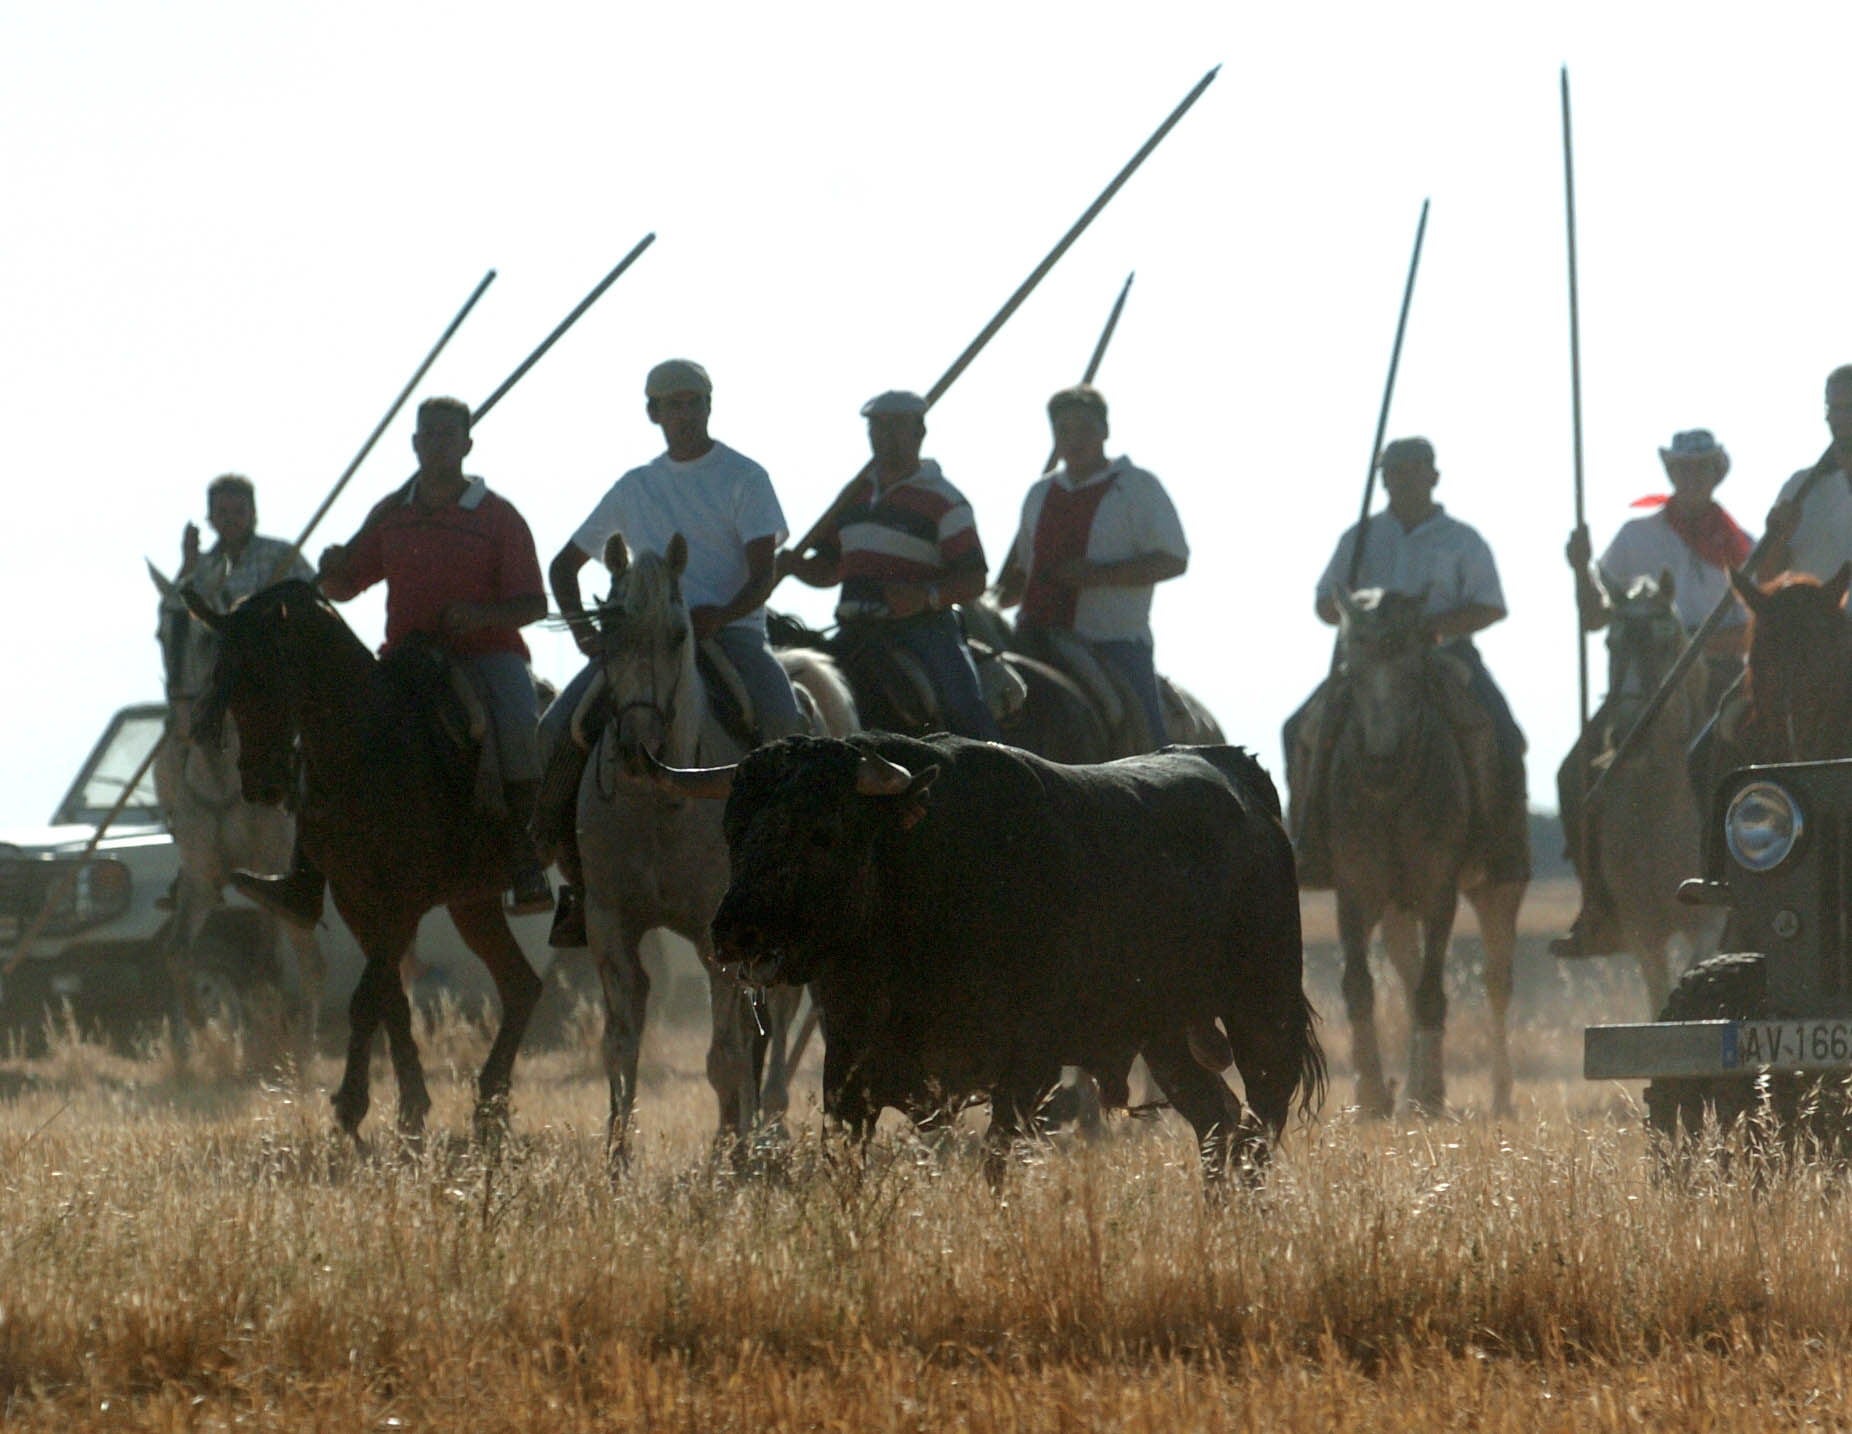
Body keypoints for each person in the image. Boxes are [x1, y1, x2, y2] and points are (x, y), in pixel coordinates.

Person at [233, 396, 553, 922]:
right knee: (329, 731)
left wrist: (479, 615)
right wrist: (336, 567)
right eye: (428, 434)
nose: (436, 443)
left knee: (519, 723)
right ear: (414, 443)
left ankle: (524, 857)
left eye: (448, 434)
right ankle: (304, 879)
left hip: (485, 656)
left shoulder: (498, 517)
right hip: (406, 659)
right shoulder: (393, 513)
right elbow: (344, 584)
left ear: (467, 444)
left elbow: (534, 604)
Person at [539, 358, 803, 946]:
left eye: (693, 402)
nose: (683, 414)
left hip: (729, 635)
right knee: (555, 729)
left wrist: (723, 614)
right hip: (643, 642)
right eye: (671, 404)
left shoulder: (744, 476)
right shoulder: (635, 486)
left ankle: (790, 879)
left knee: (788, 726)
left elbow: (767, 570)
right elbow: (563, 567)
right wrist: (587, 634)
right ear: (652, 413)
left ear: (709, 407)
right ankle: (575, 886)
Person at [1288, 435, 1529, 888]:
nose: (1402, 480)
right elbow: (1325, 602)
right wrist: (1357, 620)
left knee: (1504, 735)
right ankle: (1310, 842)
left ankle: (1498, 846)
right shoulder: (1359, 538)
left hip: (1445, 656)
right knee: (1297, 729)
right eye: (1393, 472)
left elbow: (1491, 607)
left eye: (1412, 470)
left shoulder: (1462, 539)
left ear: (1433, 475)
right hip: (1366, 665)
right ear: (1382, 480)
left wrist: (1431, 627)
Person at [1554, 429, 1753, 958]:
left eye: (1701, 468)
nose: (1691, 478)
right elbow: (1596, 615)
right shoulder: (1634, 537)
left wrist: (1691, 642)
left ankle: (1747, 885)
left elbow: (1752, 628)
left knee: (1745, 767)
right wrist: (1580, 570)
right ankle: (1596, 904)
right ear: (1670, 473)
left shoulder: (1742, 548)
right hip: (1639, 685)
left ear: (1717, 473)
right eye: (1682, 468)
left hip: (1713, 681)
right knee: (1573, 772)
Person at [779, 389, 1001, 740]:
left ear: (919, 432)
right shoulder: (854, 498)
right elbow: (831, 569)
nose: (885, 437)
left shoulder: (944, 499)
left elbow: (974, 579)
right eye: (877, 428)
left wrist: (924, 597)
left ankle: (993, 774)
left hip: (923, 628)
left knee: (962, 705)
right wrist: (794, 566)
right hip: (854, 628)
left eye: (896, 427)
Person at [995, 385, 1188, 750]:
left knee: (1148, 745)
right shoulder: (1039, 494)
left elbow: (1174, 558)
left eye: (1083, 428)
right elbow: (1021, 572)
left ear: (1104, 430)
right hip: (1033, 636)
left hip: (1111, 642)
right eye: (1063, 430)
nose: (1073, 439)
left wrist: (1096, 576)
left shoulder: (1137, 486)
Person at [1761, 364, 1852, 582]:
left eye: (1849, 408)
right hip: (1818, 615)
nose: (1841, 418)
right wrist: (1777, 539)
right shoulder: (1800, 489)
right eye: (1834, 408)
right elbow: (1766, 580)